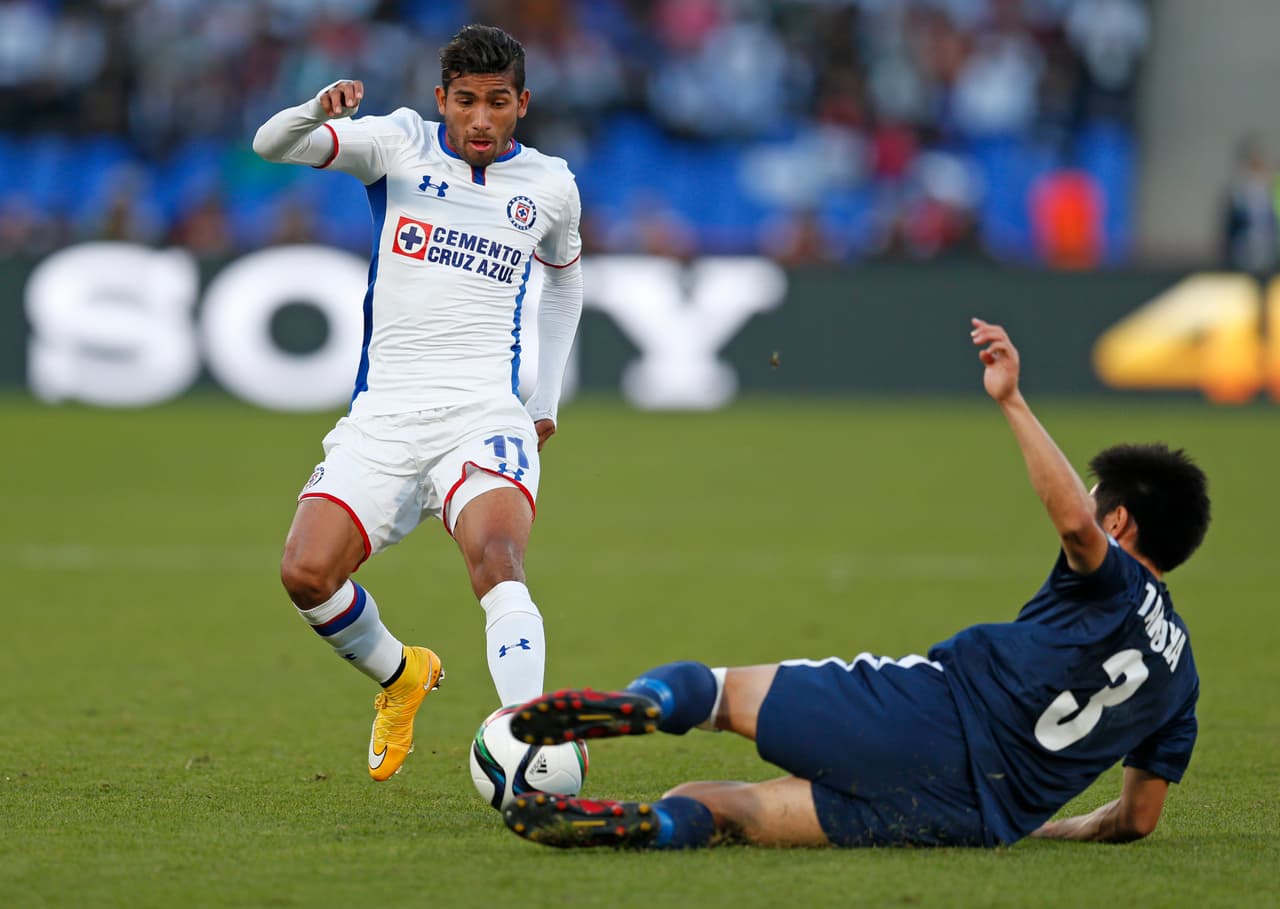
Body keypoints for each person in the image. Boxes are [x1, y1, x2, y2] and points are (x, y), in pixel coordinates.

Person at [502, 318, 1209, 849]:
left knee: (719, 694)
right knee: (726, 809)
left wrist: (1013, 400)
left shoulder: (1113, 578)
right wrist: (1046, 828)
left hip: (933, 713)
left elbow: (1075, 530)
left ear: (1121, 521)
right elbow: (1136, 818)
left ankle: (641, 703)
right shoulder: (1181, 680)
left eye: (1095, 500)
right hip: (969, 817)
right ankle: (654, 822)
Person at [252, 25, 583, 781]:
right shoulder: (398, 144)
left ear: (521, 104)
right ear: (442, 99)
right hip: (386, 414)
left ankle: (527, 732)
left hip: (482, 412)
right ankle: (401, 674)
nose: (479, 119)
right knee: (306, 573)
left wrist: (546, 395)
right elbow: (271, 145)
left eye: (497, 102)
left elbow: (566, 278)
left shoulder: (550, 185)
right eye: (465, 100)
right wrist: (317, 109)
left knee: (498, 559)